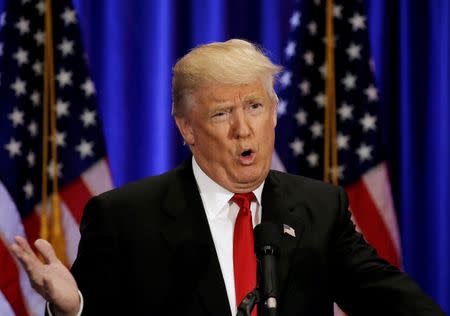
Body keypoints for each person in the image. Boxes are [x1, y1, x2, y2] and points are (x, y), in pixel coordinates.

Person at [10, 39, 444, 316]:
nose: (243, 128)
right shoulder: (125, 217)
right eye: (221, 113)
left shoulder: (320, 207)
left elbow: (387, 299)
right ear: (187, 128)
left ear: (273, 113)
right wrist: (72, 309)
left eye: (255, 107)